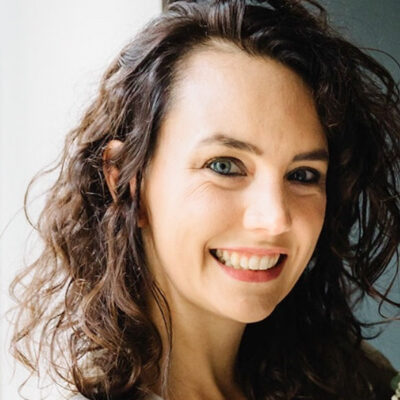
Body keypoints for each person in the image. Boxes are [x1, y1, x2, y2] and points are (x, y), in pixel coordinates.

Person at [10, 0, 400, 399]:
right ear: (127, 182)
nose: (275, 218)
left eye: (302, 175)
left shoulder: (359, 380)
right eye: (225, 166)